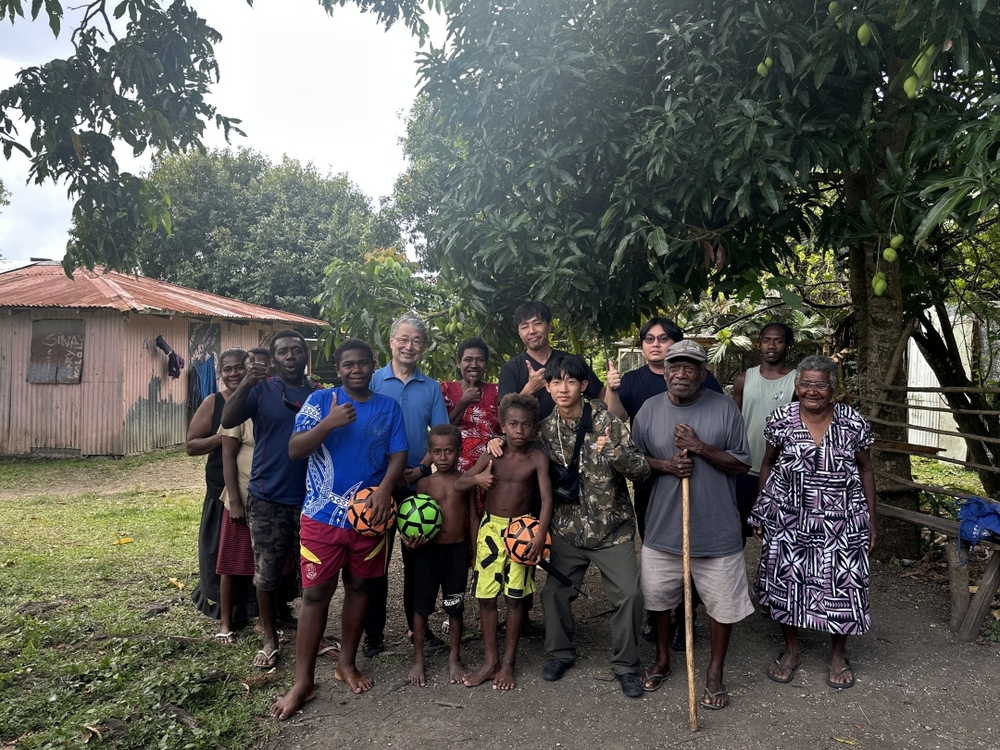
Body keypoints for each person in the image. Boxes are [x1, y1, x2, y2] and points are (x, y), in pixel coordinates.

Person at [270, 339, 407, 720]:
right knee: (315, 596)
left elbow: (399, 454)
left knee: (360, 588)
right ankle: (302, 682)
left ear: (373, 365)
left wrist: (384, 490)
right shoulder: (320, 402)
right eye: (348, 364)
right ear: (338, 368)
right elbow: (295, 450)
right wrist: (329, 423)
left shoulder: (388, 407)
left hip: (370, 518)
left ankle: (346, 663)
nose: (356, 369)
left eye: (363, 363)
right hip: (321, 517)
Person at [631, 339, 754, 708]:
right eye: (675, 366)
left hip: (716, 528)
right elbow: (633, 462)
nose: (681, 374)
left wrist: (700, 448)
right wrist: (666, 465)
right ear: (664, 371)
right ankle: (663, 660)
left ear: (703, 374)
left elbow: (742, 465)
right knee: (659, 599)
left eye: (690, 367)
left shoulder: (725, 408)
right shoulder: (649, 410)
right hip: (663, 528)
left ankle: (714, 672)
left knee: (722, 604)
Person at [750, 355, 876, 690]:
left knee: (843, 583)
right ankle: (792, 651)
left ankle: (838, 655)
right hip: (789, 518)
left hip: (843, 520)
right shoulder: (781, 420)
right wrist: (762, 509)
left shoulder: (853, 423)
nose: (812, 391)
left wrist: (871, 521)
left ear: (834, 388)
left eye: (820, 385)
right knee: (787, 583)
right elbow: (768, 463)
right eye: (805, 383)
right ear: (797, 386)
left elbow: (865, 469)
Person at [536, 355, 650, 698]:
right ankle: (560, 653)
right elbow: (519, 455)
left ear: (584, 385)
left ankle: (626, 665)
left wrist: (615, 453)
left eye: (571, 381)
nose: (563, 388)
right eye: (556, 382)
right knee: (553, 593)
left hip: (611, 529)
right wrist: (494, 443)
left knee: (630, 595)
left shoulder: (607, 421)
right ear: (547, 386)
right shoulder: (544, 430)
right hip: (568, 529)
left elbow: (642, 470)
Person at [604, 317, 722, 648]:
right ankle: (658, 613)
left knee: (691, 548)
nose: (656, 344)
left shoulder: (701, 378)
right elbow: (615, 418)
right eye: (649, 339)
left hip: (693, 478)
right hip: (652, 481)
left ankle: (687, 616)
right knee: (659, 551)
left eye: (663, 338)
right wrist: (612, 389)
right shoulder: (632, 379)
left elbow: (714, 418)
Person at [221, 330, 317, 669]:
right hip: (267, 496)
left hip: (311, 499)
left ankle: (313, 635)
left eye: (296, 350)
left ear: (305, 356)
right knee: (266, 573)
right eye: (283, 351)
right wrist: (248, 381)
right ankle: (270, 638)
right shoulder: (261, 391)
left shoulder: (319, 395)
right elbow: (227, 419)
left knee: (312, 573)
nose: (290, 356)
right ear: (274, 359)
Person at [455, 393, 553, 690]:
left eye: (526, 424)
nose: (519, 430)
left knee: (514, 598)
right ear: (503, 425)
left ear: (534, 427)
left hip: (521, 533)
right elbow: (460, 483)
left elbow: (547, 499)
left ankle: (508, 663)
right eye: (513, 424)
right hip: (490, 531)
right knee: (486, 597)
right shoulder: (491, 456)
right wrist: (477, 480)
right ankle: (490, 661)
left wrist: (540, 534)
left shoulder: (537, 458)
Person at [366, 313, 449, 657]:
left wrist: (420, 469)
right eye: (403, 339)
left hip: (417, 483)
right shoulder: (372, 380)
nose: (409, 346)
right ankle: (373, 634)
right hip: (377, 484)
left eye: (416, 341)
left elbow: (440, 435)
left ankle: (420, 629)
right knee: (375, 561)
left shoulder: (431, 388)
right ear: (391, 342)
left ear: (423, 347)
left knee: (419, 560)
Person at [187, 347, 258, 630]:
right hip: (222, 490)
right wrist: (226, 435)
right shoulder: (214, 402)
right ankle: (225, 611)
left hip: (256, 487)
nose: (234, 373)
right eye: (227, 369)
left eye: (239, 367)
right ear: (220, 375)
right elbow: (192, 445)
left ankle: (261, 610)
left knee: (256, 553)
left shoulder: (259, 398)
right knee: (223, 553)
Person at [407, 424, 476, 686]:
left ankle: (454, 657)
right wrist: (411, 543)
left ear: (459, 451)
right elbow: (412, 518)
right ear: (430, 452)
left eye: (449, 451)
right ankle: (417, 658)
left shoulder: (465, 482)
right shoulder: (424, 484)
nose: (443, 457)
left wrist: (473, 550)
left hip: (456, 552)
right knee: (421, 608)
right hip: (427, 553)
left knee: (455, 607)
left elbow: (473, 518)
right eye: (437, 452)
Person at [732, 323, 797, 540]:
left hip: (782, 471)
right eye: (767, 340)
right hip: (746, 467)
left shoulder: (797, 382)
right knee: (738, 532)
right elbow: (733, 423)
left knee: (778, 534)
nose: (772, 346)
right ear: (759, 344)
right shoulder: (743, 379)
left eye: (778, 341)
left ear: (788, 345)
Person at [498, 301, 603, 420]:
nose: (532, 331)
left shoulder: (572, 361)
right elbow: (503, 417)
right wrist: (530, 388)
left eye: (537, 323)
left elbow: (601, 396)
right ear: (519, 333)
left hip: (573, 430)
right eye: (524, 326)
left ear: (549, 326)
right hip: (530, 432)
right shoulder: (510, 369)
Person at [441, 337, 501, 513]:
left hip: (489, 470)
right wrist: (463, 401)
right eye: (468, 359)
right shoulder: (445, 390)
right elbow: (443, 433)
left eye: (479, 360)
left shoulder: (496, 391)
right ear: (459, 363)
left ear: (486, 364)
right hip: (455, 471)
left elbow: (505, 429)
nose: (474, 365)